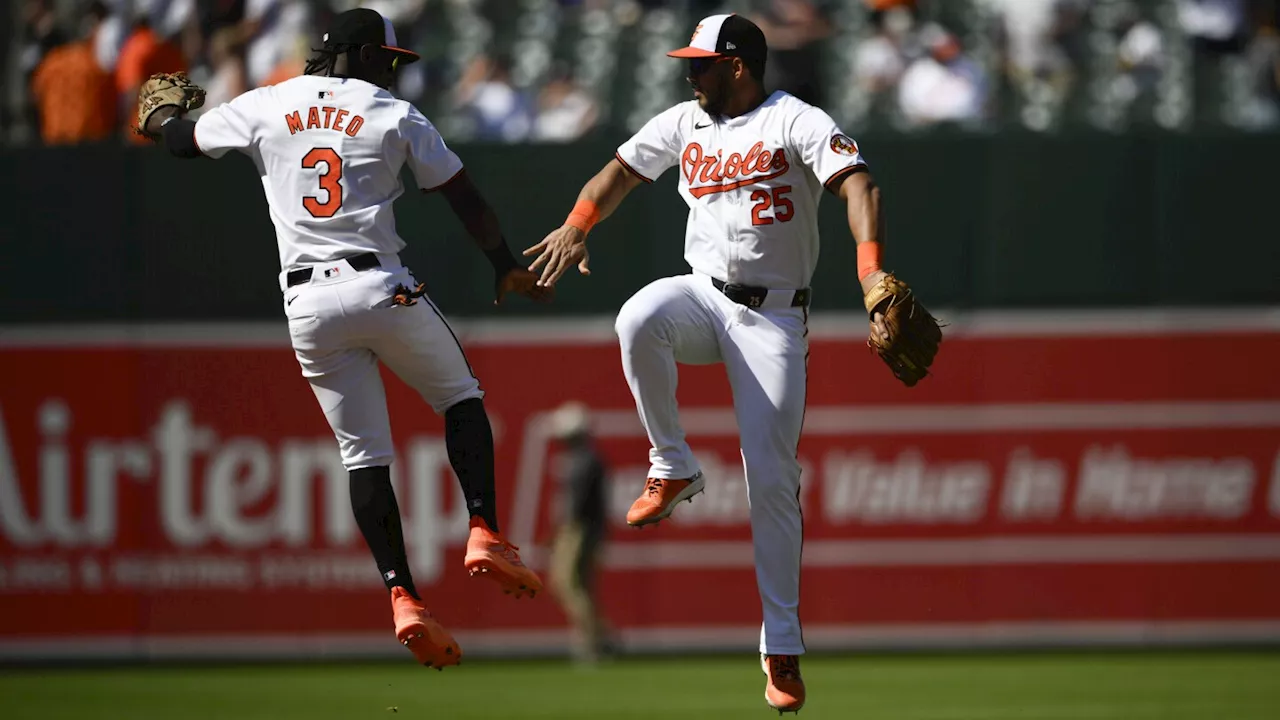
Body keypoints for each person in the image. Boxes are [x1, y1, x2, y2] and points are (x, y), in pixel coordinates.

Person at [137, 7, 549, 671]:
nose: (391, 70)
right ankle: (485, 531)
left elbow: (179, 138)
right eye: (386, 59)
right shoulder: (391, 113)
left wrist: (156, 117)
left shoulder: (265, 104)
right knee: (461, 397)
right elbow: (464, 197)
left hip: (306, 304)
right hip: (377, 284)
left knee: (364, 458)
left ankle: (403, 598)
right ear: (355, 55)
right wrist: (503, 262)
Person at [525, 13, 903, 714]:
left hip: (774, 316)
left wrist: (872, 275)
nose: (687, 73)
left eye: (699, 63)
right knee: (637, 316)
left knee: (773, 480)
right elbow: (619, 171)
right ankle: (672, 464)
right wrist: (578, 225)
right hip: (703, 296)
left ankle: (781, 649)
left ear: (737, 66)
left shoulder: (794, 120)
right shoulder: (683, 123)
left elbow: (859, 184)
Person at [545, 401, 615, 665]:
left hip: (579, 530)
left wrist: (559, 532)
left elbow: (575, 506)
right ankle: (600, 636)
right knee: (580, 585)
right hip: (584, 530)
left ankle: (592, 639)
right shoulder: (584, 459)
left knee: (568, 584)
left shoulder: (584, 461)